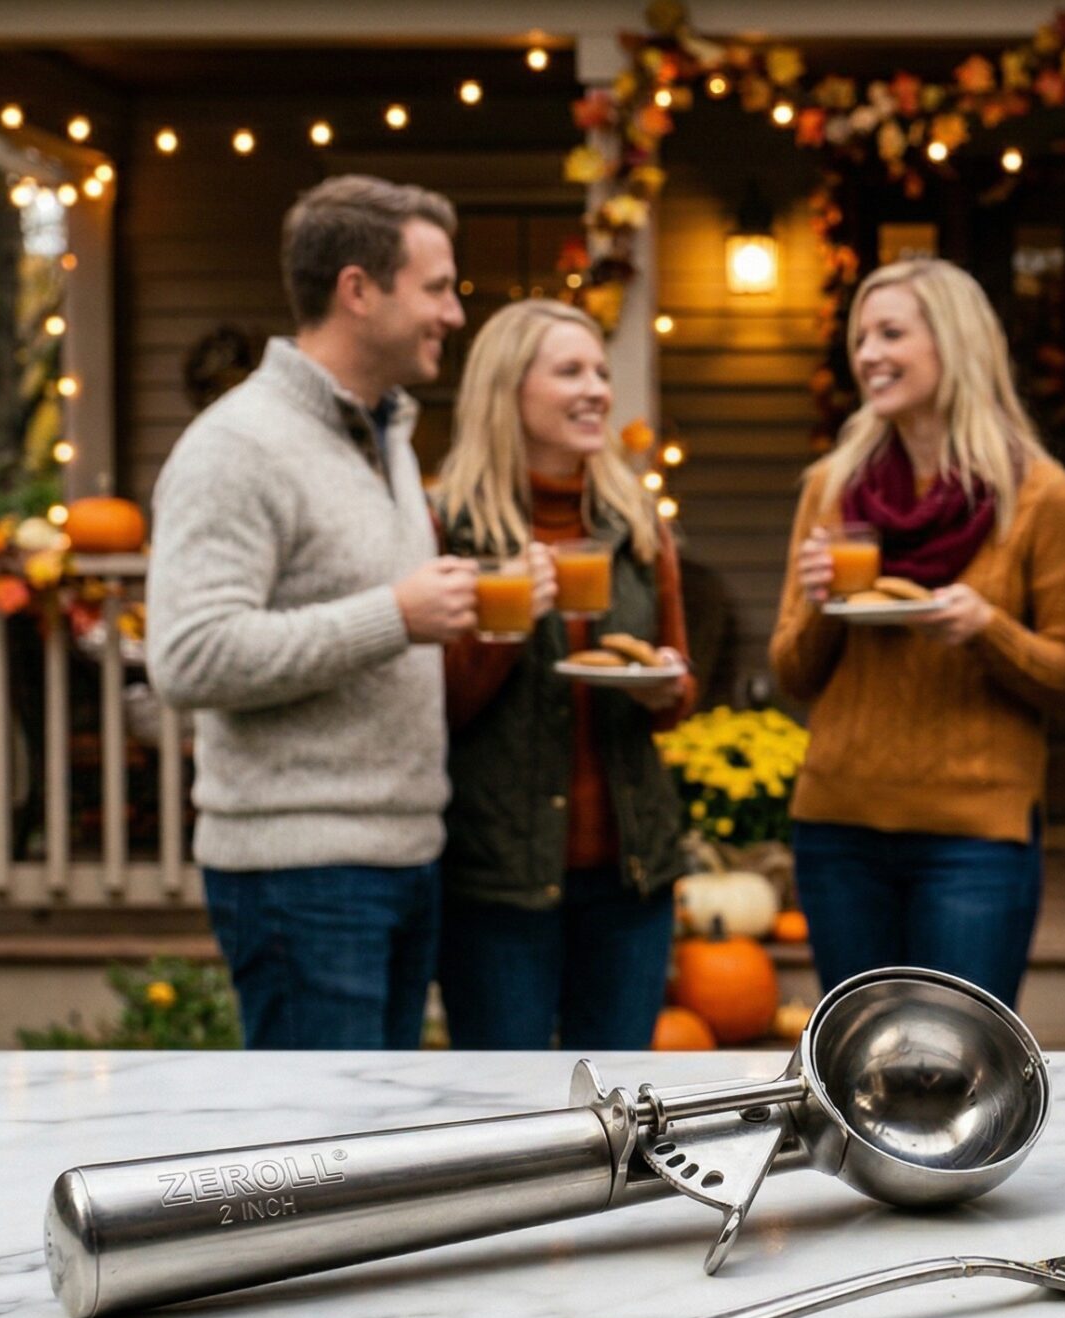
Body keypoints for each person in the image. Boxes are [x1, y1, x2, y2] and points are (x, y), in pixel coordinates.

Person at [147, 175, 476, 1049]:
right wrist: (394, 617)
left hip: (404, 854)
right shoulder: (236, 446)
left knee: (378, 1151)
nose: (453, 312)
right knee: (322, 1162)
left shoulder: (386, 434)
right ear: (358, 291)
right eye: (437, 288)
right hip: (302, 873)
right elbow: (189, 656)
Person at [770, 259, 1065, 1009]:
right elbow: (792, 671)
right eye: (860, 336)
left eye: (891, 333)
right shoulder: (832, 487)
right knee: (856, 1074)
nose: (868, 353)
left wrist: (986, 627)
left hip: (974, 839)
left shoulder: (1040, 494)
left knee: (955, 1069)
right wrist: (821, 603)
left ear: (955, 342)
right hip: (838, 827)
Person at [431, 300, 697, 1049]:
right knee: (506, 1108)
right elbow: (436, 707)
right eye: (570, 371)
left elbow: (678, 679)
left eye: (602, 373)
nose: (597, 391)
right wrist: (508, 624)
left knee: (618, 1108)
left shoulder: (635, 523)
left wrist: (666, 689)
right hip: (498, 879)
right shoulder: (452, 525)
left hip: (629, 875)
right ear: (507, 388)